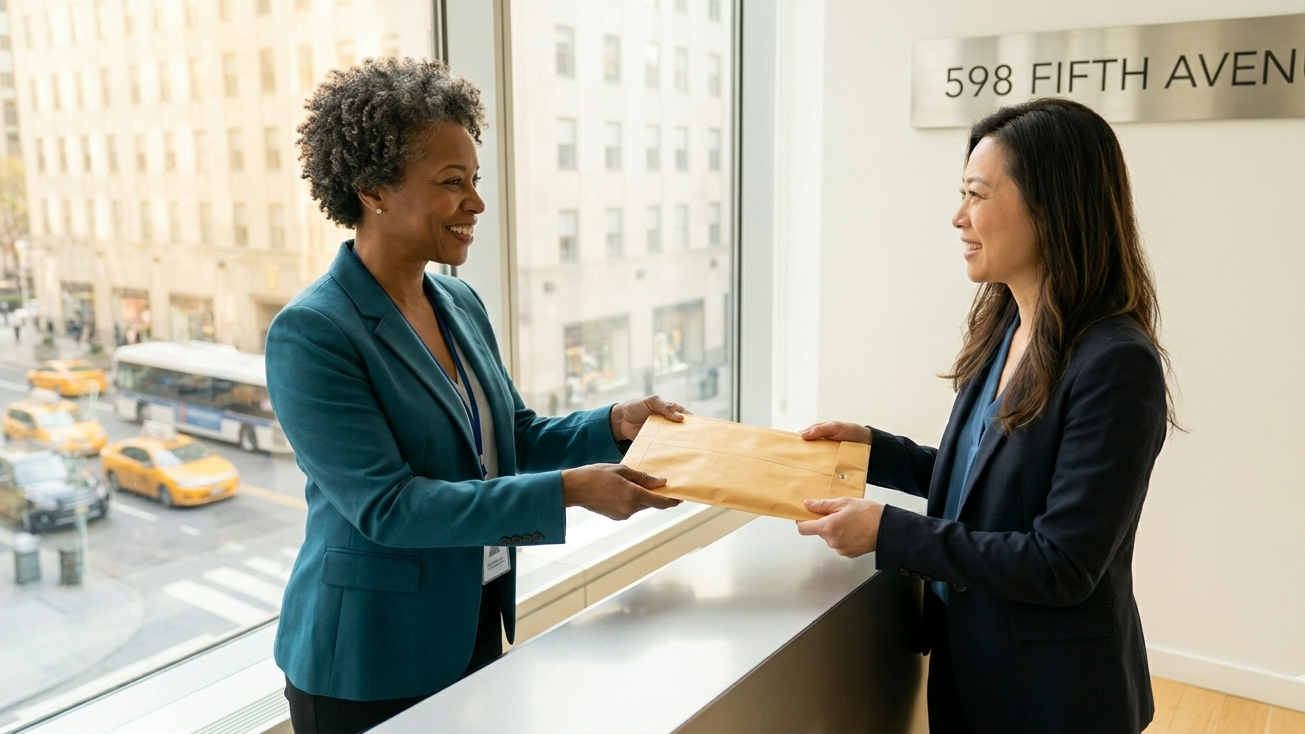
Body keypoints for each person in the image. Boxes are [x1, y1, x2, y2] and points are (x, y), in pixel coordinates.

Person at [266, 57, 683, 734]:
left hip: (472, 624)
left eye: (474, 181)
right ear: (373, 188)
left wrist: (614, 424)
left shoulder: (456, 300)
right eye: (450, 183)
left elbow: (508, 438)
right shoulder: (313, 333)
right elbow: (389, 508)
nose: (476, 203)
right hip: (368, 658)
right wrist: (572, 490)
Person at [795, 98, 1173, 733]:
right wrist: (873, 450)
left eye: (976, 194)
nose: (957, 217)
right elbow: (990, 482)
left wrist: (890, 532)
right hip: (973, 670)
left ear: (1052, 206)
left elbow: (1063, 562)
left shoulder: (1116, 364)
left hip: (1055, 699)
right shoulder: (1009, 325)